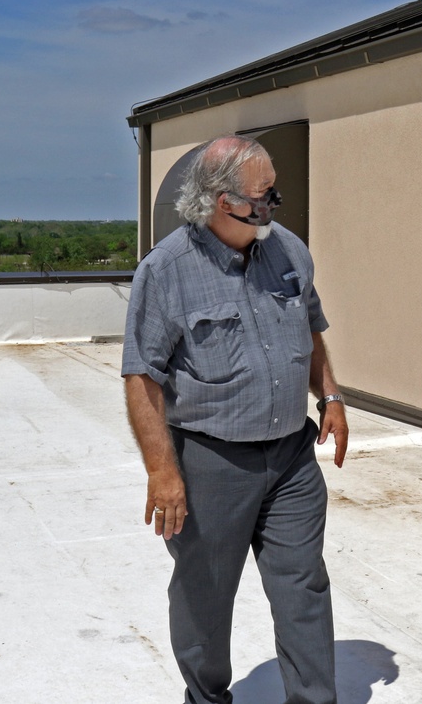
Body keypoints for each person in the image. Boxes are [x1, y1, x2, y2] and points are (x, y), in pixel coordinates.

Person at [122, 135, 348, 704]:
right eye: (265, 194)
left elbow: (311, 328)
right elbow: (141, 376)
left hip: (292, 459)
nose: (276, 203)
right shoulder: (167, 270)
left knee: (303, 586)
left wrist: (332, 397)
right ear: (224, 202)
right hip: (211, 462)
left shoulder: (289, 251)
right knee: (206, 594)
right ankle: (206, 698)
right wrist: (162, 472)